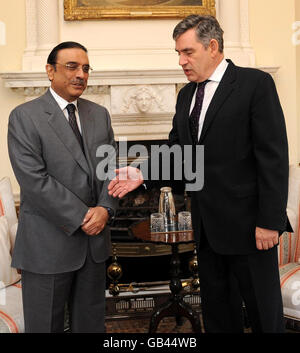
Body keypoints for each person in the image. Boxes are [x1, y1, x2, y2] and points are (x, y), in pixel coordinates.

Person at [108, 15, 292, 333]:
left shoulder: (255, 85)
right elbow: (181, 157)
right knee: (219, 318)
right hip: (206, 231)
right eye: (178, 53)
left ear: (213, 46)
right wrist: (142, 174)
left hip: (252, 231)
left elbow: (273, 159)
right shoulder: (185, 96)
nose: (181, 61)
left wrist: (269, 222)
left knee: (265, 317)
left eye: (188, 52)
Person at [7, 41, 118, 333]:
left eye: (85, 68)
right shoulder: (24, 116)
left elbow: (110, 169)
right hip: (48, 246)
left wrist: (106, 209)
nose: (80, 74)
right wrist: (84, 217)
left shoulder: (99, 114)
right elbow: (34, 180)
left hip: (93, 247)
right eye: (71, 66)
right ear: (49, 71)